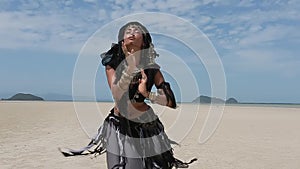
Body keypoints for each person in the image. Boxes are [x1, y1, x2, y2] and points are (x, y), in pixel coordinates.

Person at [59, 21, 196, 169]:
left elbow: (170, 102)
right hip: (118, 124)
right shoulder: (112, 63)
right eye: (127, 31)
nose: (131, 32)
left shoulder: (152, 69)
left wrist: (147, 94)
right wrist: (130, 68)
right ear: (122, 40)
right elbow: (116, 94)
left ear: (143, 41)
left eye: (136, 30)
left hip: (146, 125)